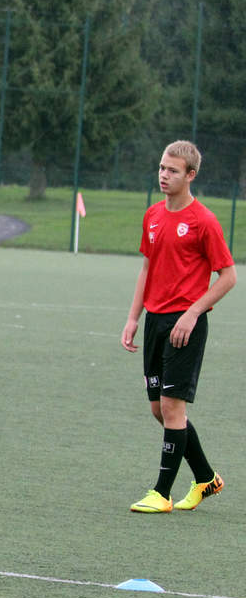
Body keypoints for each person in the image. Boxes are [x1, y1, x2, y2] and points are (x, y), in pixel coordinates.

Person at [121, 140, 236, 513]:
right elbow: (147, 268)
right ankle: (206, 478)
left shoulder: (204, 221)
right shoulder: (153, 215)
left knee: (172, 407)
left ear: (191, 175)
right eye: (161, 167)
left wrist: (193, 312)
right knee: (160, 410)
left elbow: (229, 276)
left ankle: (161, 493)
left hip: (185, 325)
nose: (164, 175)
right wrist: (134, 317)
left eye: (172, 170)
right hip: (155, 322)